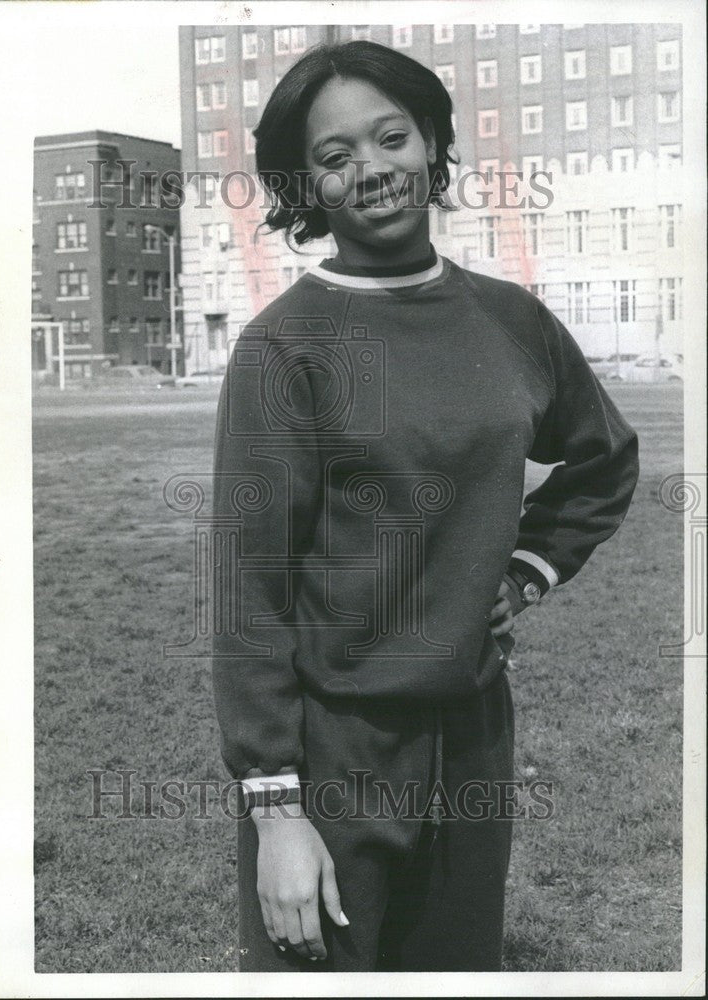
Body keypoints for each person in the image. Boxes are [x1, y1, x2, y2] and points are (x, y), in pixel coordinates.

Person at [210, 40, 639, 972]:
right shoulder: (284, 347)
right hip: (334, 753)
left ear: (433, 144)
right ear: (306, 185)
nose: (371, 170)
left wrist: (526, 570)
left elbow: (603, 461)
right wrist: (278, 814)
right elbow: (249, 594)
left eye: (391, 137)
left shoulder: (511, 320)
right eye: (334, 157)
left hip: (473, 739)